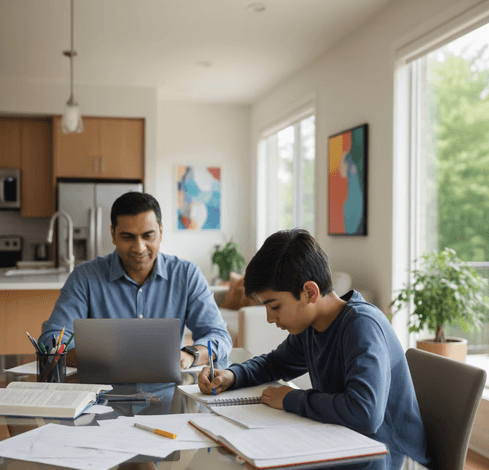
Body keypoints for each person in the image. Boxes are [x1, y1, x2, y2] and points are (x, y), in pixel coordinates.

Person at [198, 228, 431, 468]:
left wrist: (291, 399)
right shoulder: (312, 326)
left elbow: (365, 414)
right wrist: (232, 374)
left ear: (310, 292)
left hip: (389, 457)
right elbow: (275, 363)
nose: (269, 318)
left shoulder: (362, 326)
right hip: (344, 444)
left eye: (274, 306)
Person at [39, 192, 232, 370]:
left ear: (161, 233)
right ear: (113, 234)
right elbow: (52, 339)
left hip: (168, 392)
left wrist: (191, 354)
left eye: (148, 236)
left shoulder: (187, 274)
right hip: (101, 392)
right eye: (128, 237)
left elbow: (219, 336)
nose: (139, 248)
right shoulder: (84, 277)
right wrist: (100, 359)